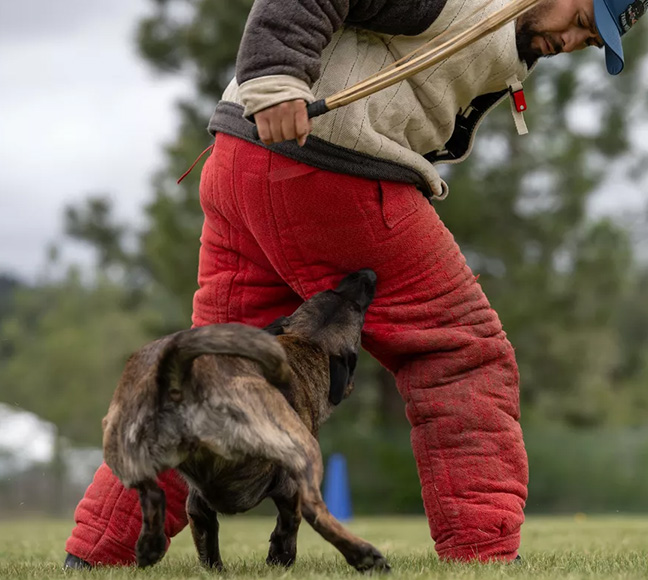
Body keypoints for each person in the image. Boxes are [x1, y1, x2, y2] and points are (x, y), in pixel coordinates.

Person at [64, 0, 644, 568]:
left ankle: (97, 550)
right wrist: (276, 76)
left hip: (241, 162)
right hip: (327, 174)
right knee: (463, 354)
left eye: (589, 42)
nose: (571, 41)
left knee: (208, 377)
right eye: (583, 21)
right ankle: (484, 555)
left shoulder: (510, 29)